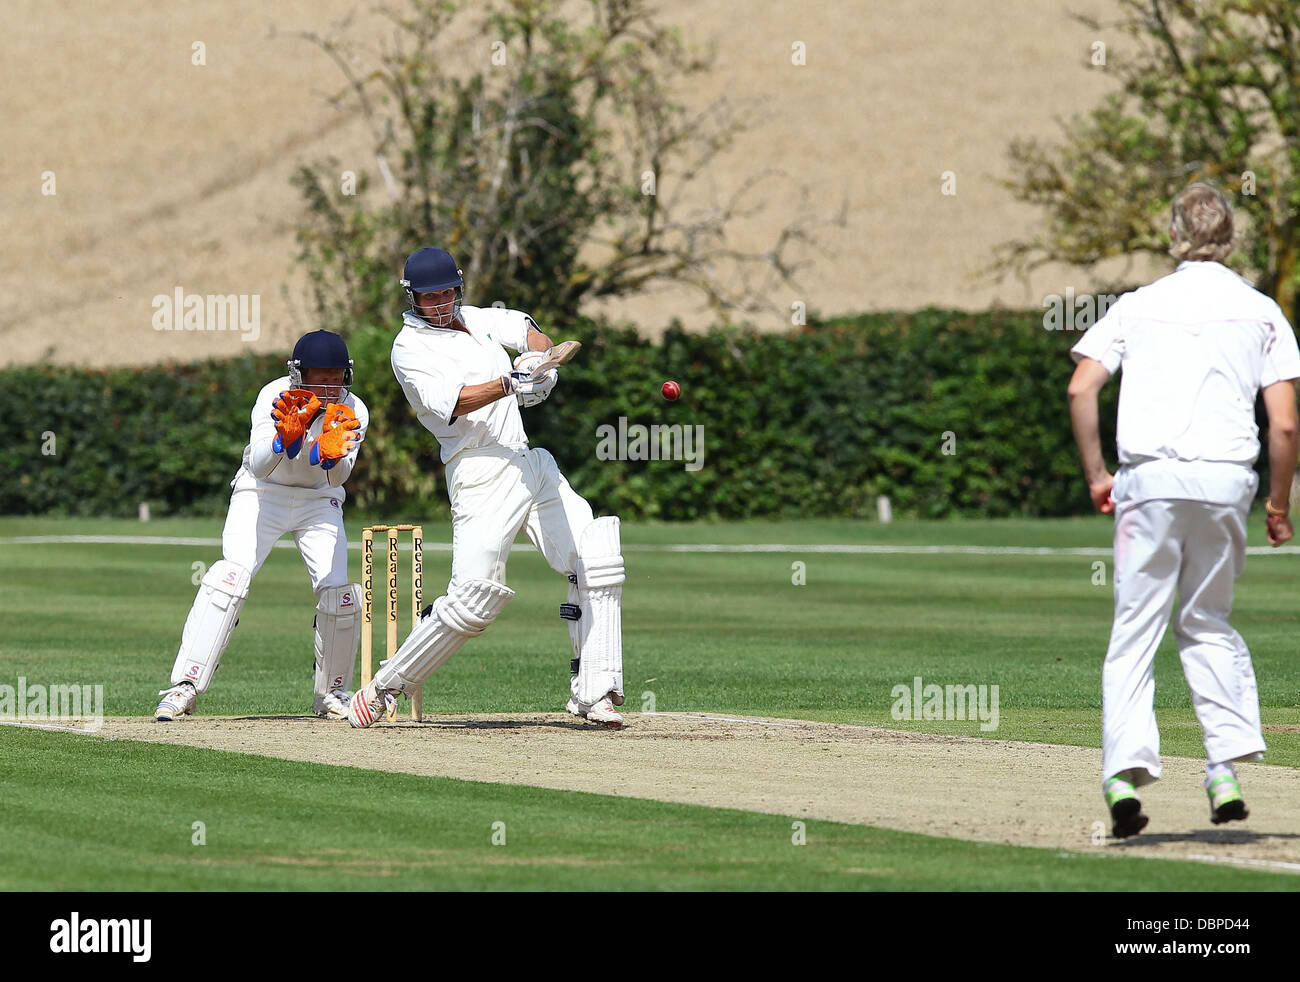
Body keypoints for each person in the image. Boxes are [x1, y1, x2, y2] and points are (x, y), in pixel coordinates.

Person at [1067, 182, 1300, 837]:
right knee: (1207, 622)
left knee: (1134, 631)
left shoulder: (1139, 306)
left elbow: (1081, 386)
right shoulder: (1260, 311)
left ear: (1176, 235)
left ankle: (1122, 777)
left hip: (1150, 482)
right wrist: (1278, 503)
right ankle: (1223, 768)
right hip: (1227, 483)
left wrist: (1097, 475)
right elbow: (1284, 426)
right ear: (1230, 238)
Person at [346, 247, 626, 729]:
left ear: (458, 288)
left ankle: (594, 692)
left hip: (527, 458)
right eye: (429, 297)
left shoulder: (476, 318)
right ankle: (385, 687)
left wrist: (539, 361)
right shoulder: (409, 349)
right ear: (411, 297)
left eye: (447, 293)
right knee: (475, 600)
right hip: (479, 468)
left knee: (596, 555)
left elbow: (527, 328)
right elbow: (451, 404)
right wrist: (511, 382)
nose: (440, 303)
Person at [154, 330, 369, 721]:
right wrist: (285, 438)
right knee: (229, 579)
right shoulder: (274, 395)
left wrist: (330, 452)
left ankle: (332, 694)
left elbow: (337, 478)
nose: (327, 386)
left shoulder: (355, 408)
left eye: (335, 377)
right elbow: (258, 465)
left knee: (339, 594)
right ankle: (185, 686)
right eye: (318, 376)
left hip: (319, 500)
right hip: (261, 493)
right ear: (297, 375)